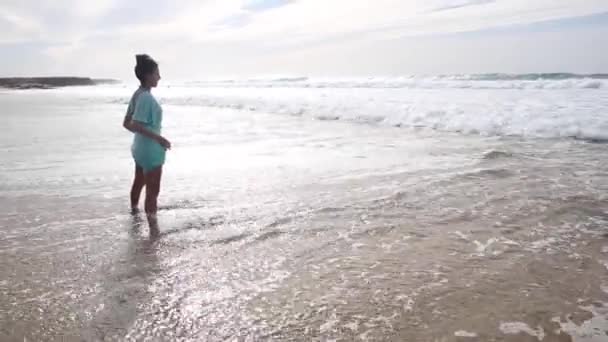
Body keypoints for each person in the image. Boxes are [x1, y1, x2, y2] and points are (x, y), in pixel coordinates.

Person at [123, 54, 171, 229]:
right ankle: (154, 233)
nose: (159, 77)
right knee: (153, 192)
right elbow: (135, 123)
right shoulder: (146, 98)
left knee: (138, 181)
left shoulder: (138, 94)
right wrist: (159, 138)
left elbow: (127, 123)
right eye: (157, 73)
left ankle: (134, 213)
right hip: (150, 151)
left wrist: (145, 137)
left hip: (139, 148)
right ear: (148, 75)